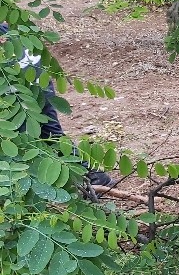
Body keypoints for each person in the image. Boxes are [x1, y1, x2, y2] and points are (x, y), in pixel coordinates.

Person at [1, 22, 113, 186]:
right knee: (48, 134)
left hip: (23, 81)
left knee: (25, 137)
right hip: (31, 75)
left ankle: (88, 177)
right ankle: (92, 176)